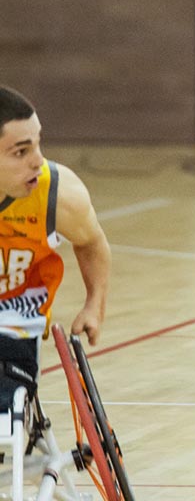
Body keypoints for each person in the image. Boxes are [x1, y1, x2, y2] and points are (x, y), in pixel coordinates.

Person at [0, 86, 112, 396]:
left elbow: (92, 242)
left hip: (12, 323)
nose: (38, 160)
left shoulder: (57, 193)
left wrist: (94, 305)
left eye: (37, 144)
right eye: (21, 151)